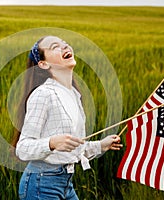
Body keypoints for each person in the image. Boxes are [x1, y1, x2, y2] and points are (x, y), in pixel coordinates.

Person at [12, 35, 123, 200]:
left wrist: (101, 145)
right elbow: (22, 148)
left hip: (65, 183)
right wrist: (52, 143)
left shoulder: (73, 95)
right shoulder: (43, 94)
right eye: (55, 46)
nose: (65, 47)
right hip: (41, 185)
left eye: (65, 43)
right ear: (43, 64)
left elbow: (71, 148)